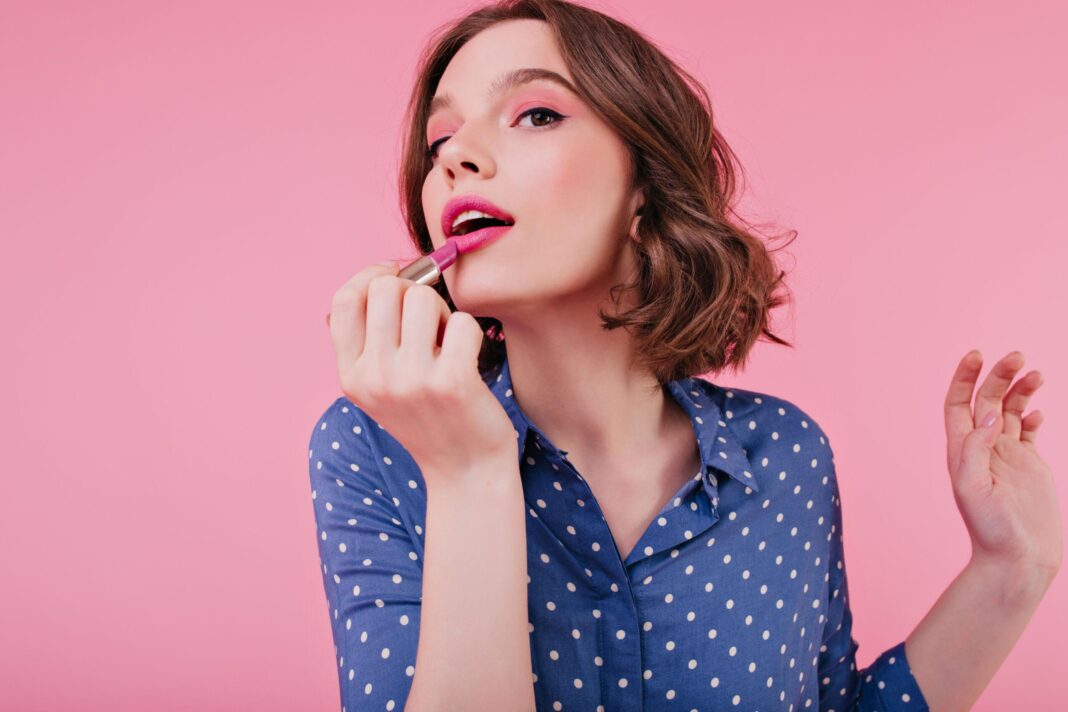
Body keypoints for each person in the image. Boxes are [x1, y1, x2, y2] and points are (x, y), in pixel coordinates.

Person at [310, 1, 1061, 710]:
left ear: (645, 187)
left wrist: (1012, 570)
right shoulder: (375, 450)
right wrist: (470, 473)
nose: (455, 159)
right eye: (439, 142)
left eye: (535, 114)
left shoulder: (785, 458)